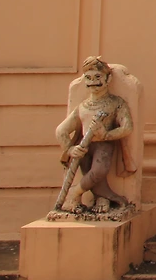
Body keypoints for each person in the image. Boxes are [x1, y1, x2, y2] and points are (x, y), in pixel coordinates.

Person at [55, 56, 135, 212]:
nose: (93, 82)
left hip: (104, 145)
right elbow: (61, 131)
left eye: (98, 77)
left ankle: (74, 193)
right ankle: (102, 198)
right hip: (84, 147)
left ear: (108, 78)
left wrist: (106, 135)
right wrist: (70, 149)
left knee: (99, 171)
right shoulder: (83, 107)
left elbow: (127, 127)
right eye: (88, 78)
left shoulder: (116, 103)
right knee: (92, 177)